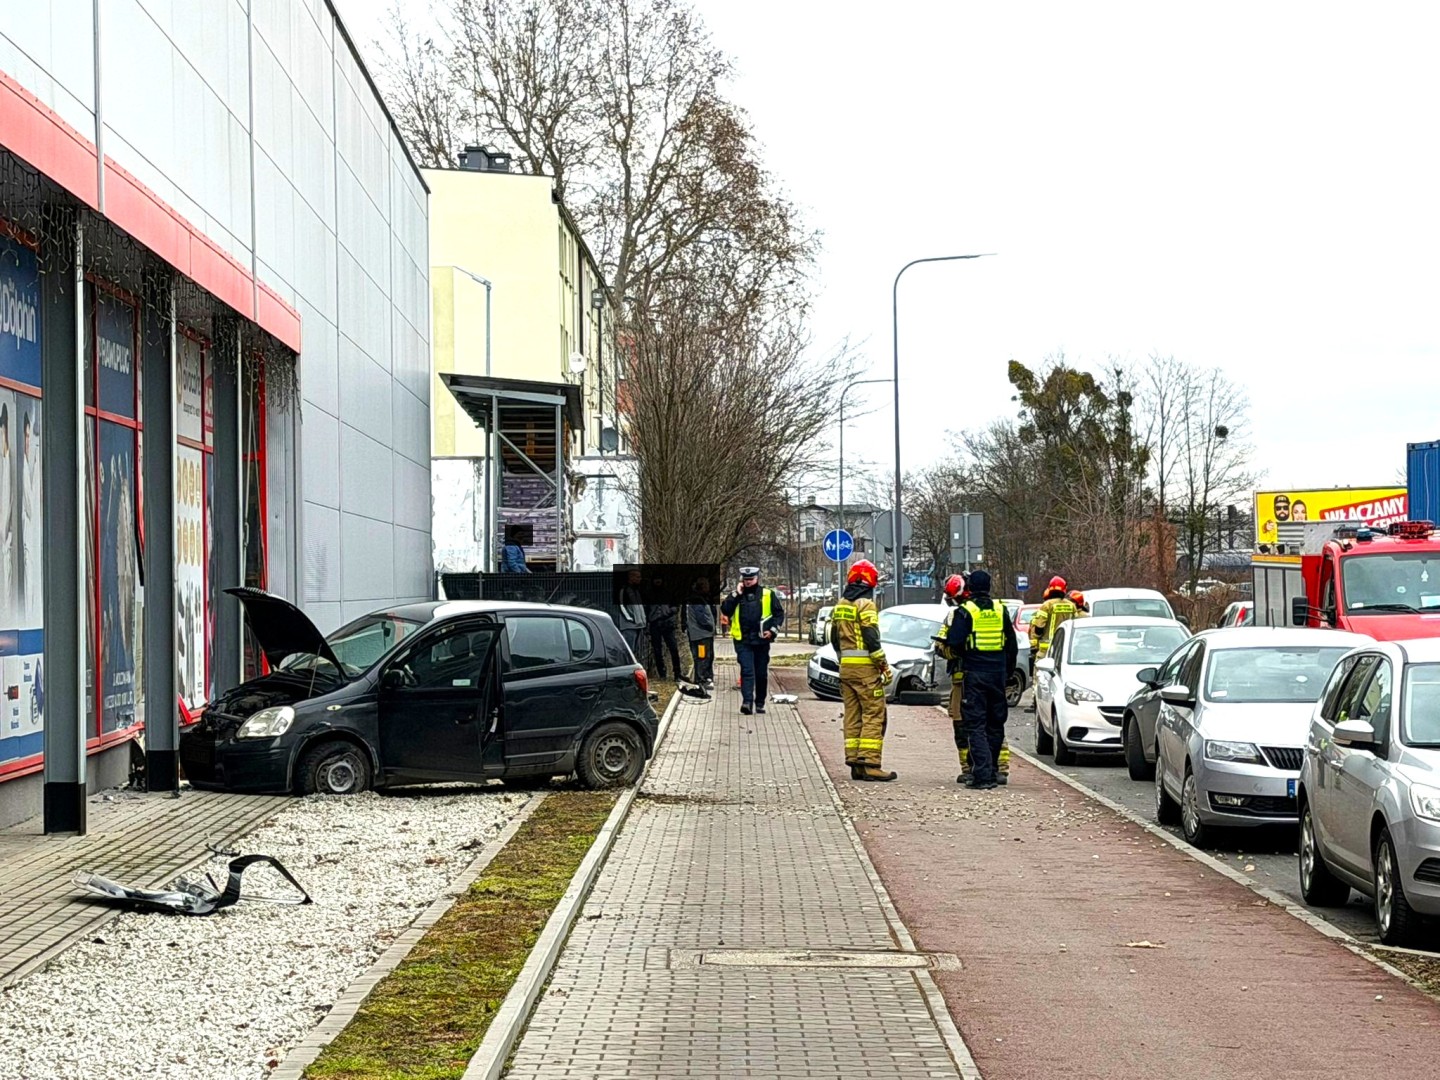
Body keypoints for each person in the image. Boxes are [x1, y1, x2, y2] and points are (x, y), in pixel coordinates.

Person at [945, 569, 1018, 790]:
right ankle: (994, 771)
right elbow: (1012, 645)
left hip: (974, 674)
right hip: (997, 674)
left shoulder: (966, 611)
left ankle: (983, 775)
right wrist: (1008, 673)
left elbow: (955, 642)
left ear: (970, 588)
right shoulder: (1000, 610)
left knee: (975, 725)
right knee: (995, 724)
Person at [831, 559, 895, 781]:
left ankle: (855, 761)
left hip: (846, 670)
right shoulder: (866, 605)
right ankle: (870, 763)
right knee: (874, 712)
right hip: (866, 671)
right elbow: (871, 637)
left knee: (852, 713)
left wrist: (843, 660)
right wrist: (883, 666)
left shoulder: (841, 605)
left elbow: (834, 639)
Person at [720, 566, 784, 716]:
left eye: (751, 579)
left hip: (762, 640)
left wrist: (773, 631)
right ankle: (747, 702)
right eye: (745, 579)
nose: (748, 582)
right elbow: (726, 610)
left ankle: (760, 702)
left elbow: (779, 614)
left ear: (757, 579)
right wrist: (736, 593)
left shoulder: (768, 594)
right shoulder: (737, 595)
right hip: (743, 640)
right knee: (747, 671)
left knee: (761, 673)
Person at [1029, 575, 1078, 665]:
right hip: (1066, 648)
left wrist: (1034, 644)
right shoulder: (1071, 605)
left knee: (1041, 674)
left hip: (1046, 649)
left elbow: (1039, 629)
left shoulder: (1046, 605)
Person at [684, 578, 717, 687]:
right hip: (701, 635)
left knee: (701, 657)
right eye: (707, 586)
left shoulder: (696, 598)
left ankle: (703, 678)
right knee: (703, 657)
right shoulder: (697, 600)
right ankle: (701, 680)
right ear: (702, 587)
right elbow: (701, 618)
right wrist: (710, 627)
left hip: (698, 634)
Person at [647, 600, 683, 680]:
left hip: (668, 622)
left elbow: (676, 606)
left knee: (673, 648)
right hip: (654, 623)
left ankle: (677, 673)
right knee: (657, 650)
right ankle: (662, 674)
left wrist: (669, 611)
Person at [617, 568, 647, 660]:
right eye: (638, 577)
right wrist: (630, 618)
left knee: (634, 650)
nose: (640, 579)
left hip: (638, 625)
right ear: (631, 577)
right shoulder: (624, 590)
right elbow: (622, 606)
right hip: (629, 626)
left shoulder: (636, 590)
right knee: (629, 650)